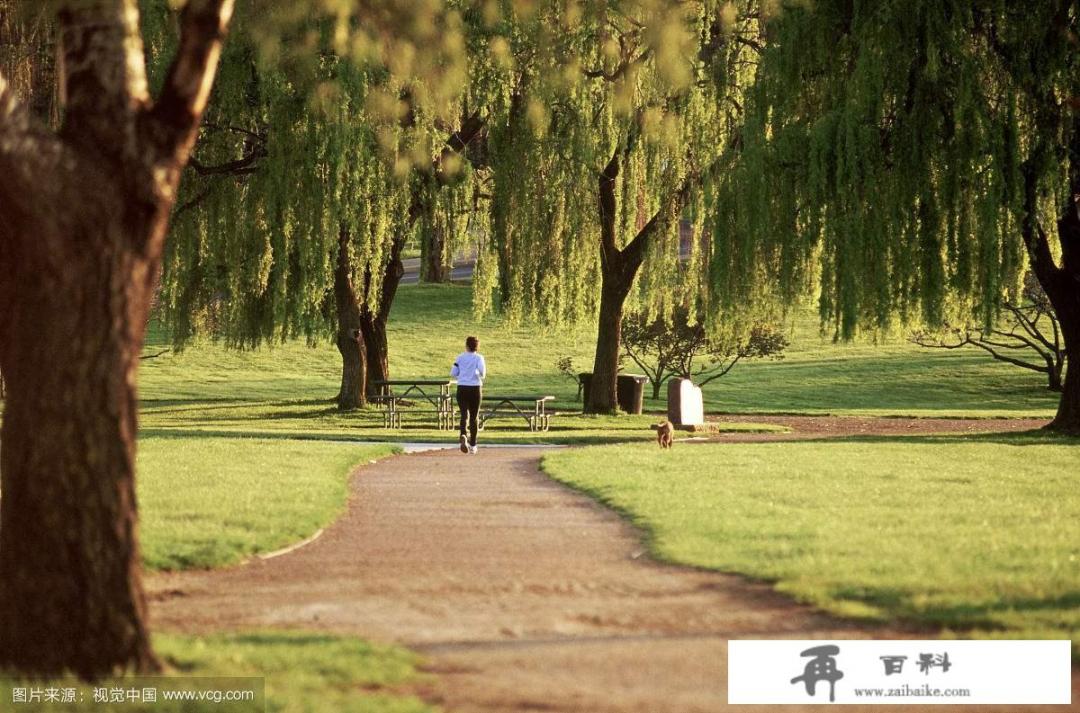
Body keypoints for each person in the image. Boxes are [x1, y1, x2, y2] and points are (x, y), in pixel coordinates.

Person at [450, 336, 486, 454]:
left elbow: (453, 372)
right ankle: (473, 444)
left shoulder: (460, 357)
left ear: (466, 345)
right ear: (477, 347)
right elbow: (483, 373)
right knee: (474, 417)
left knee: (464, 414)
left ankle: (463, 435)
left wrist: (463, 374)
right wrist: (475, 373)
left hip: (462, 387)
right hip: (475, 388)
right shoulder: (479, 358)